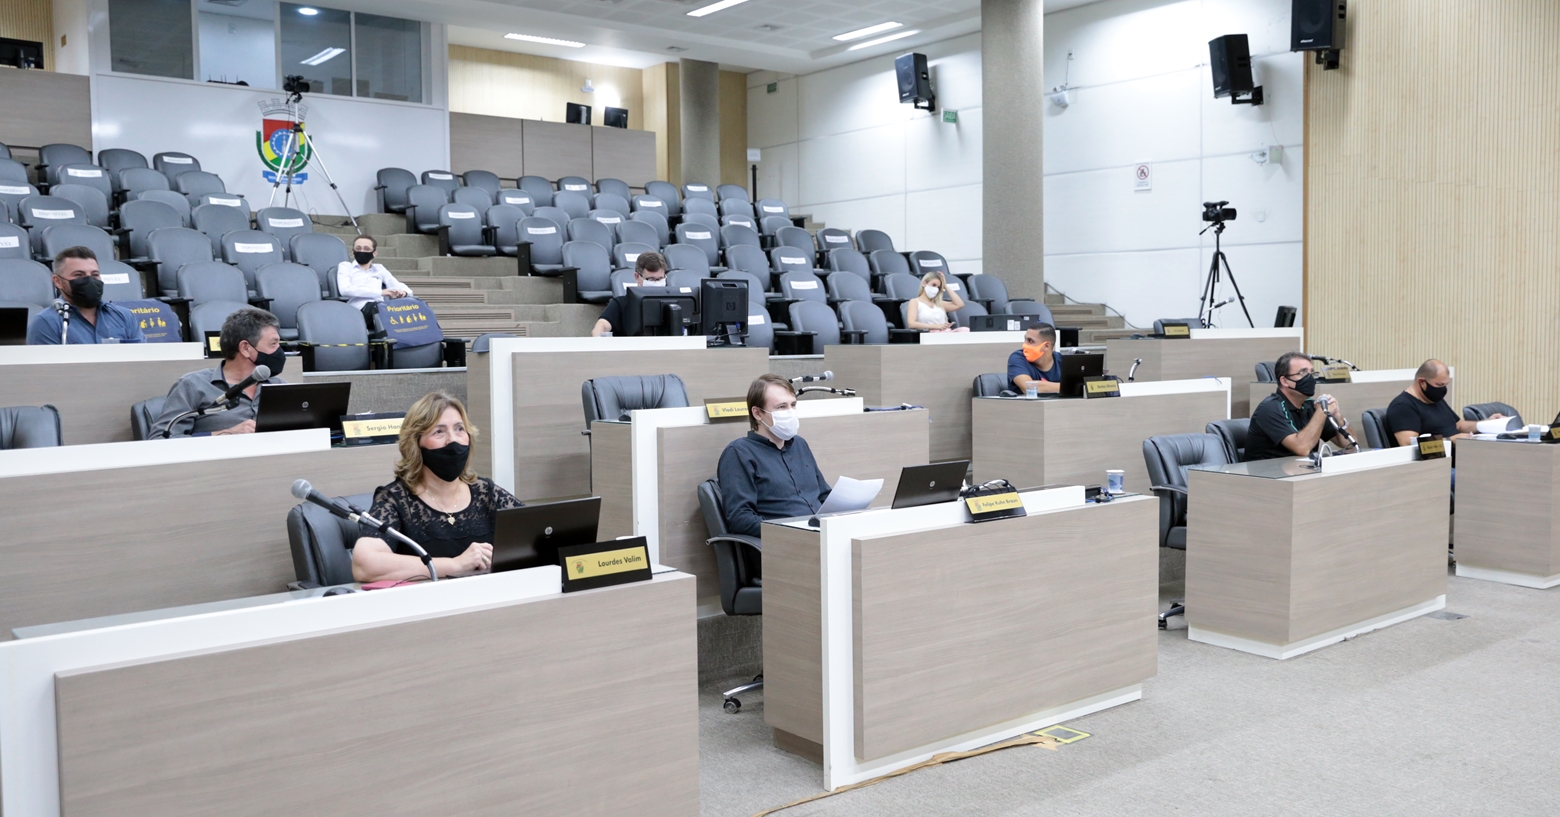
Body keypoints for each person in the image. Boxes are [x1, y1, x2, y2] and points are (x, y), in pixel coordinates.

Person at [351, 392, 522, 582]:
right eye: (439, 432)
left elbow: (542, 532)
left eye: (459, 429)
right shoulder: (395, 500)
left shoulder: (486, 492)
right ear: (416, 443)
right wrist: (455, 565)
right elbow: (364, 565)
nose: (452, 440)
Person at [716, 374, 832, 538]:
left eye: (793, 405)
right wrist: (788, 531)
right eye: (781, 407)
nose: (790, 412)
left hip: (821, 533)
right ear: (757, 413)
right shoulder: (739, 452)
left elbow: (824, 495)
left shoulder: (800, 444)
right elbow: (740, 519)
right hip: (783, 543)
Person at [152, 307, 286, 437]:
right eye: (273, 344)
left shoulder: (281, 387)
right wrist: (226, 434)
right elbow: (160, 439)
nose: (279, 351)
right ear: (245, 348)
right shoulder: (192, 386)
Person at [1244, 351, 1353, 460]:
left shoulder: (1311, 405)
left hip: (1299, 472)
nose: (1310, 378)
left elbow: (1350, 444)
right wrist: (1321, 412)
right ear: (1285, 381)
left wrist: (1338, 417)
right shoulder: (1270, 408)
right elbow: (1302, 448)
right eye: (1303, 373)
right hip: (1266, 474)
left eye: (1312, 373)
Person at [26, 246, 145, 345]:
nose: (89, 280)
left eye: (95, 275)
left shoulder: (124, 316)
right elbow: (46, 371)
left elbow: (142, 360)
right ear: (58, 281)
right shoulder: (46, 323)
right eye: (79, 275)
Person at [1386, 359, 1493, 446]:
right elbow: (1409, 444)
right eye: (1440, 385)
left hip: (1461, 456)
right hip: (1441, 465)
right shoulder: (1403, 406)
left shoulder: (1434, 399)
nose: (1443, 390)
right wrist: (1450, 441)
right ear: (1422, 382)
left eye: (1445, 385)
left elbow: (1459, 425)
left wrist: (1487, 424)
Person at [592, 251, 668, 336]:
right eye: (651, 279)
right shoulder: (620, 304)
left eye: (660, 279)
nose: (657, 283)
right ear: (637, 277)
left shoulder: (671, 304)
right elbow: (601, 326)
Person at [335, 234, 412, 310]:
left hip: (381, 306)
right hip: (358, 308)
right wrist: (380, 292)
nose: (362, 251)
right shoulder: (346, 266)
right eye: (358, 248)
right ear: (353, 252)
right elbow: (345, 290)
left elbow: (397, 285)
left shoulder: (379, 268)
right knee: (382, 309)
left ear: (374, 253)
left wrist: (404, 292)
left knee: (409, 306)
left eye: (366, 249)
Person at [905, 271, 969, 332]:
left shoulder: (939, 303)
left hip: (945, 333)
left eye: (938, 287)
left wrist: (945, 286)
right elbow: (911, 324)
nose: (936, 289)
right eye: (933, 285)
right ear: (924, 283)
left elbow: (959, 304)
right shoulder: (915, 302)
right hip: (929, 334)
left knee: (965, 330)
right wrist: (936, 326)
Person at [1007, 323, 1062, 394]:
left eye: (1030, 341)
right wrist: (1068, 387)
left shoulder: (1061, 360)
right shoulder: (1017, 358)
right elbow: (1028, 387)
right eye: (1025, 340)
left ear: (1046, 346)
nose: (1024, 345)